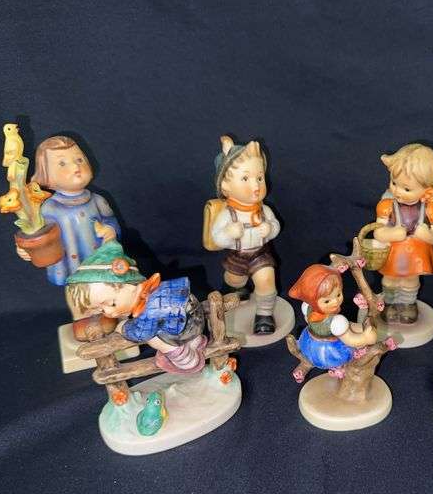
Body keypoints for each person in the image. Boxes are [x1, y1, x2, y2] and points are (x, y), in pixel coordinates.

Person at [16, 135, 120, 319]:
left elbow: (110, 220)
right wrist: (27, 249)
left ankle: (109, 316)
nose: (75, 167)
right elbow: (35, 233)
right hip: (70, 265)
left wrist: (110, 230)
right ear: (45, 175)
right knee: (76, 292)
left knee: (105, 289)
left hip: (100, 262)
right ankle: (82, 320)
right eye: (62, 163)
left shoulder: (97, 201)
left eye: (79, 159)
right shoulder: (48, 208)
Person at [65, 241, 207, 374]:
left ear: (131, 286)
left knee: (153, 338)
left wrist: (123, 327)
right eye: (101, 310)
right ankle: (195, 342)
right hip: (195, 320)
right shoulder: (154, 291)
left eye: (112, 303)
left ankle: (187, 360)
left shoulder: (150, 307)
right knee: (164, 326)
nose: (108, 312)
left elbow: (140, 333)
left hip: (187, 327)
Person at [210, 136, 281, 334]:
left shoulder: (264, 210)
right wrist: (228, 233)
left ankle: (264, 315)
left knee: (266, 280)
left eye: (260, 178)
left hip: (260, 254)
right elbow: (216, 237)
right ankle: (235, 291)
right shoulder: (228, 214)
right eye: (245, 178)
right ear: (225, 186)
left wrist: (270, 229)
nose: (256, 186)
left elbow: (275, 225)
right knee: (235, 280)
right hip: (238, 256)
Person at [373, 143, 433, 324]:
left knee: (410, 280)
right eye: (394, 183)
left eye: (407, 189)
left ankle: (408, 305)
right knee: (390, 279)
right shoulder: (387, 205)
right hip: (394, 252)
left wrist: (426, 235)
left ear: (427, 189)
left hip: (416, 254)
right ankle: (389, 304)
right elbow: (378, 232)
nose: (397, 191)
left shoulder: (430, 208)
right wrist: (391, 234)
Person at [288, 264, 377, 383]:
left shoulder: (307, 307)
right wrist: (366, 338)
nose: (335, 301)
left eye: (338, 295)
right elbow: (351, 340)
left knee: (353, 326)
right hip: (329, 354)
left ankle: (363, 309)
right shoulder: (337, 322)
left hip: (308, 345)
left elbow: (308, 320)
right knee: (360, 335)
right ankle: (341, 368)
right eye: (327, 301)